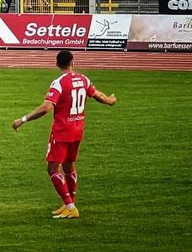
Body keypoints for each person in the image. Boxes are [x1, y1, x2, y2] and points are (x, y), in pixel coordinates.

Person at [11, 50, 117, 219]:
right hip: (77, 130)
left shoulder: (59, 83)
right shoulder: (83, 79)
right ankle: (70, 204)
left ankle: (70, 206)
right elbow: (97, 96)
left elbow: (46, 108)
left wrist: (23, 119)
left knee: (53, 168)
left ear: (57, 64)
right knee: (69, 166)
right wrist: (111, 101)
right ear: (72, 62)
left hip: (62, 131)